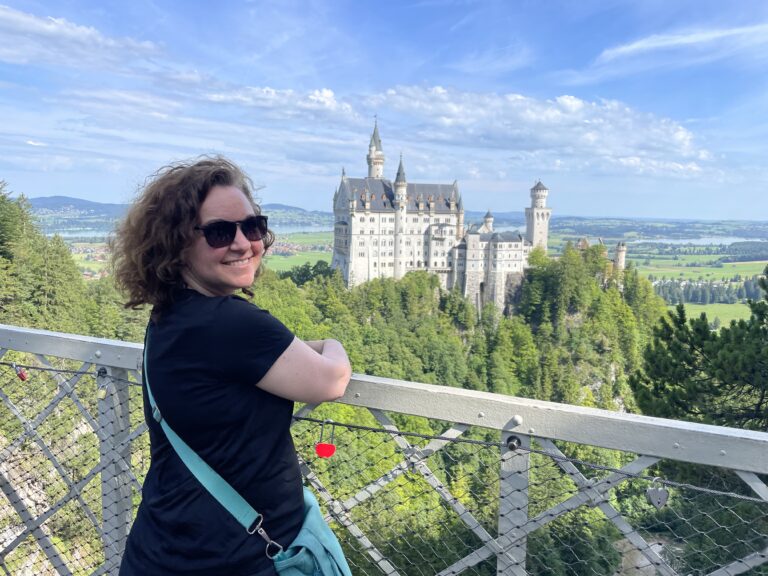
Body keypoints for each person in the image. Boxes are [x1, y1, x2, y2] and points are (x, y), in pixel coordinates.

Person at [111, 156, 352, 575]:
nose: (243, 243)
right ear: (177, 242)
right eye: (220, 232)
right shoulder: (229, 322)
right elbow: (331, 380)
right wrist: (331, 343)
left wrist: (293, 349)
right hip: (234, 557)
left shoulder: (171, 314)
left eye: (252, 226)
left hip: (164, 548)